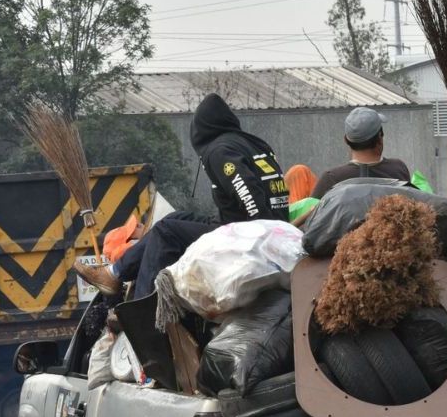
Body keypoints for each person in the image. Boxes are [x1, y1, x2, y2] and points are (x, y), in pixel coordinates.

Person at [74, 93, 289, 298]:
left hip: (249, 235)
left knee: (166, 232)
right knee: (173, 219)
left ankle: (141, 307)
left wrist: (259, 232)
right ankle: (114, 273)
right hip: (265, 227)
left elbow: (247, 189)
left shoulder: (219, 150)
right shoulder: (252, 144)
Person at [310, 107, 411, 199]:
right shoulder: (398, 169)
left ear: (346, 140)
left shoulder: (332, 178)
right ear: (380, 138)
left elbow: (314, 216)